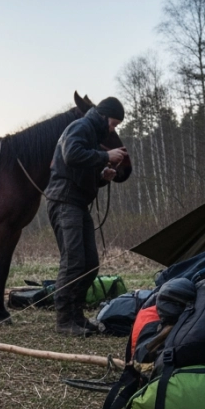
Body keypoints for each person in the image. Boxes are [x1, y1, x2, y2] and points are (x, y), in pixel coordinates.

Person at [44, 97, 128, 336]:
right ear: (103, 116)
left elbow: (79, 167)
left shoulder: (91, 133)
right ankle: (64, 320)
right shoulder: (80, 127)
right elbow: (71, 155)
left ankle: (77, 316)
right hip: (64, 202)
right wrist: (105, 157)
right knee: (73, 261)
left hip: (77, 203)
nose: (113, 129)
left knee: (90, 263)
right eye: (113, 124)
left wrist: (103, 176)